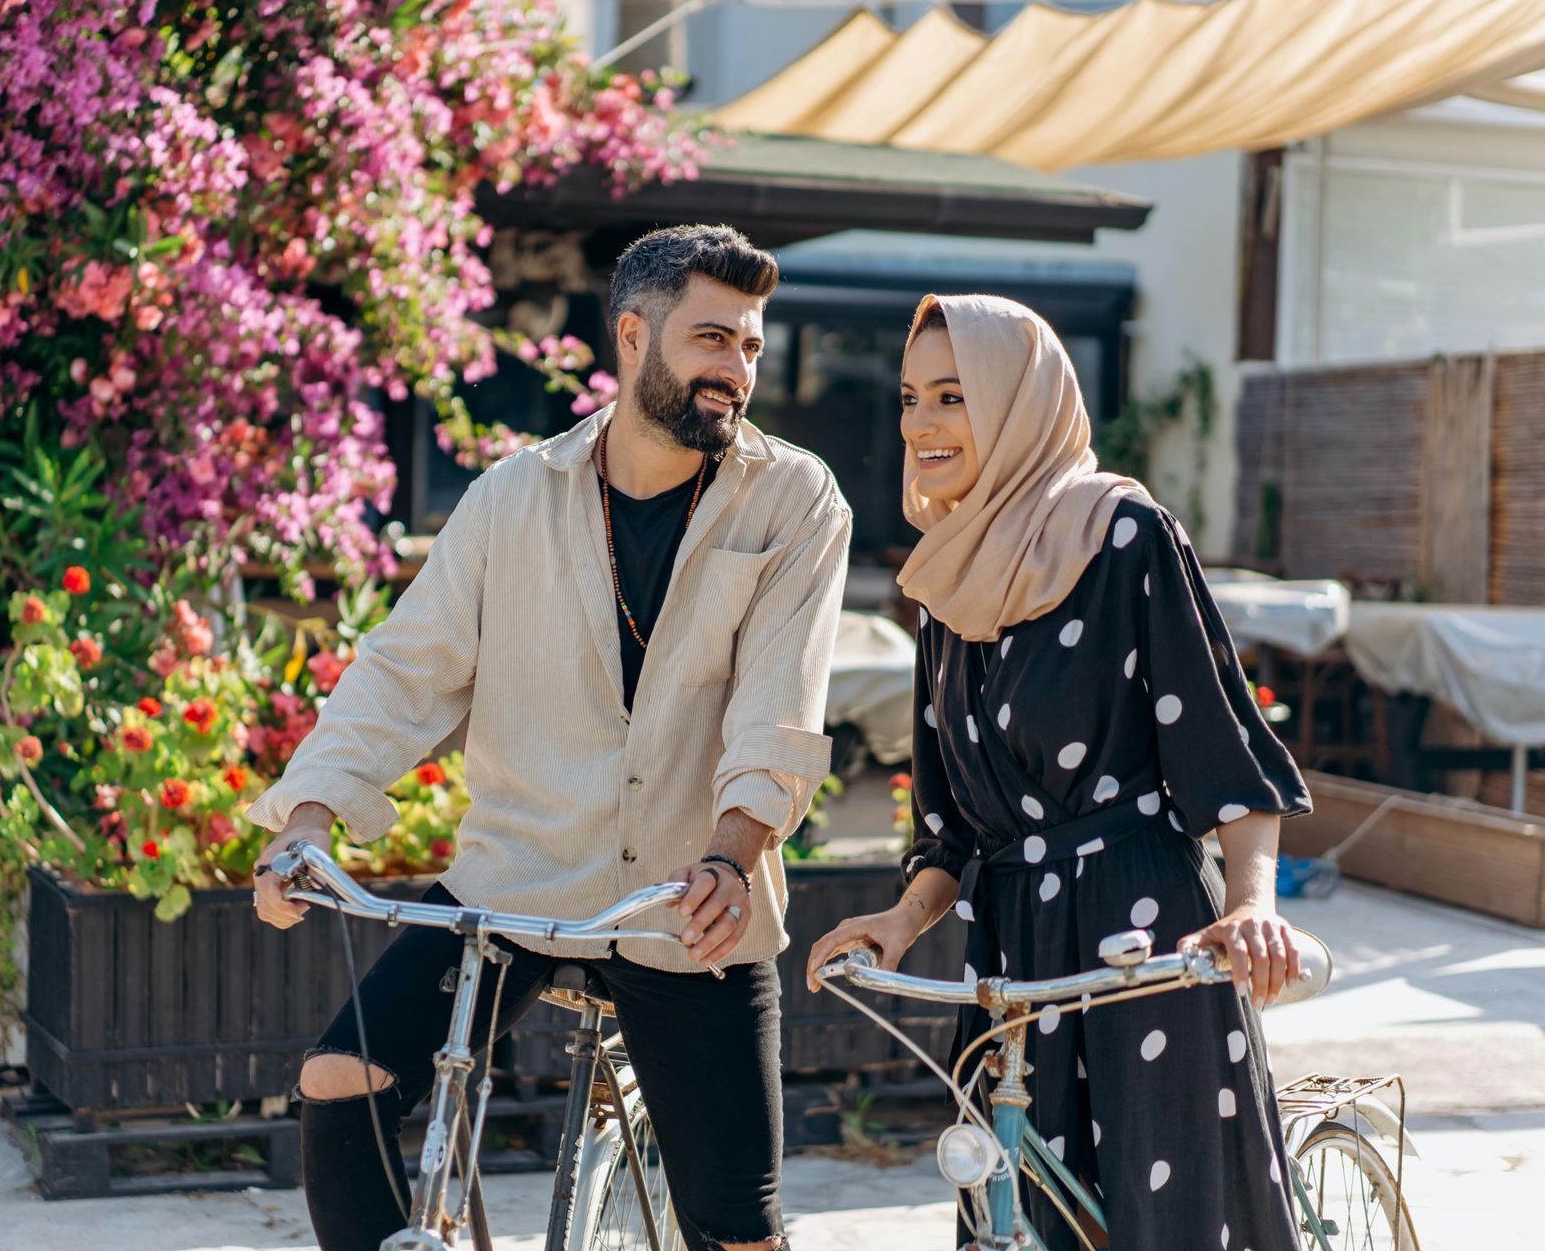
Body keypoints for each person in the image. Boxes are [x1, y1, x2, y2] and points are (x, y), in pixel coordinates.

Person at [249, 224, 851, 1251]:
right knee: (339, 1081)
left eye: (750, 347)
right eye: (712, 339)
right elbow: (405, 673)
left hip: (687, 894)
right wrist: (306, 822)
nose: (736, 370)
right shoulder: (510, 498)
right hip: (515, 886)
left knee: (738, 1229)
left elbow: (777, 709)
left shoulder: (796, 499)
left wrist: (732, 855)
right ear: (632, 334)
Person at [804, 294, 1310, 1250]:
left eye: (953, 395)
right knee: (1015, 1213)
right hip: (1011, 950)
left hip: (1145, 939)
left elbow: (1225, 756)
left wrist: (1251, 906)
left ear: (1019, 402)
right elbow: (952, 821)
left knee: (1165, 1221)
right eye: (912, 398)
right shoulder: (943, 581)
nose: (921, 423)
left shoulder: (1125, 536)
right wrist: (901, 921)